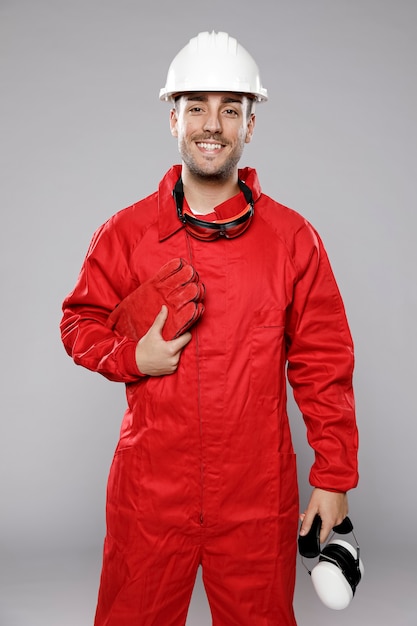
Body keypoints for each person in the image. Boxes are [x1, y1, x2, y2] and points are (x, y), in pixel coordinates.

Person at [60, 31, 359, 626]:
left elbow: (324, 362)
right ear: (173, 117)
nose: (212, 125)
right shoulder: (124, 233)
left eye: (231, 108)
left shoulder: (292, 241)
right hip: (151, 491)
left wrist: (333, 477)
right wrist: (131, 357)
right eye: (196, 106)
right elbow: (78, 322)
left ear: (251, 124)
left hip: (255, 494)